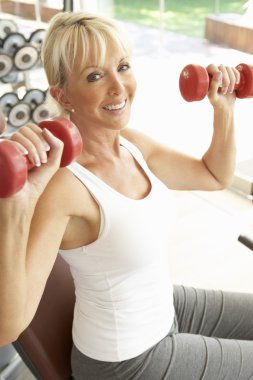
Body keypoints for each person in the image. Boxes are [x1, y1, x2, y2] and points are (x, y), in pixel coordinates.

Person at [0, 11, 253, 380]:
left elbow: (213, 176)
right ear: (62, 94)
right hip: (126, 360)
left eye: (122, 66)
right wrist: (14, 203)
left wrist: (224, 110)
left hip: (161, 305)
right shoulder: (63, 186)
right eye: (95, 76)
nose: (118, 87)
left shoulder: (131, 144)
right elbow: (8, 327)